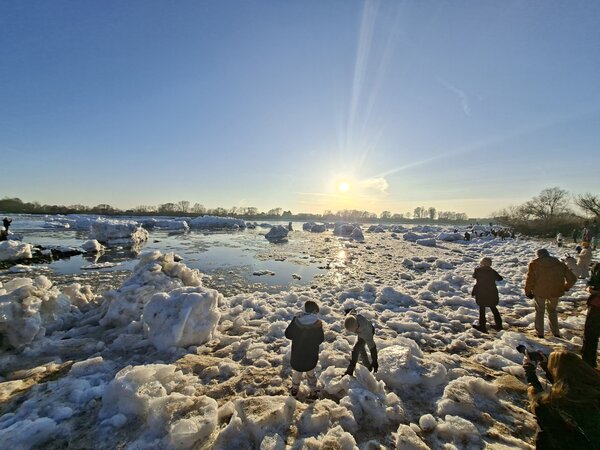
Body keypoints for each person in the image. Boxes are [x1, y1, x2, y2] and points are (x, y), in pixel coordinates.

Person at [523, 350, 600, 449]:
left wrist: (529, 371)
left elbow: (537, 399)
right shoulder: (594, 390)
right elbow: (567, 383)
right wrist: (547, 365)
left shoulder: (555, 403)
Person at [525, 248, 577, 338]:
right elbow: (572, 279)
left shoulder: (534, 264)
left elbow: (530, 280)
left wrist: (528, 291)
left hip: (540, 292)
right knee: (552, 311)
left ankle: (540, 333)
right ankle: (556, 332)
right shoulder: (560, 264)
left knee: (540, 312)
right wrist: (565, 287)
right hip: (555, 292)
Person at [284, 300, 324, 398]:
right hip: (310, 356)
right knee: (311, 374)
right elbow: (320, 339)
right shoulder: (317, 323)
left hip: (297, 356)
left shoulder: (296, 320)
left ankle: (294, 389)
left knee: (297, 373)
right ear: (315, 311)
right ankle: (313, 391)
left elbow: (288, 334)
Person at [472, 257, 503, 333]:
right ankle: (499, 324)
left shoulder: (478, 270)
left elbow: (474, 276)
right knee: (493, 307)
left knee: (482, 308)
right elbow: (500, 278)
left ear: (482, 263)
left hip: (481, 291)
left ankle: (482, 326)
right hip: (491, 291)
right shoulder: (492, 271)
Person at [343, 308, 378, 376]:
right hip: (362, 327)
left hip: (370, 330)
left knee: (355, 350)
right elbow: (352, 311)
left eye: (352, 331)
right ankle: (368, 367)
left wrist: (375, 361)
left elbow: (372, 347)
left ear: (356, 328)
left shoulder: (365, 333)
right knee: (361, 348)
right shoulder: (351, 317)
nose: (350, 332)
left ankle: (349, 372)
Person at [582, 263, 600, 368]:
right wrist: (589, 287)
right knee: (590, 335)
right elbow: (591, 281)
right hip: (596, 305)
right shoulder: (597, 267)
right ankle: (588, 362)